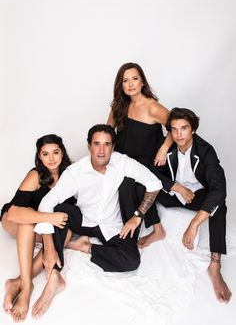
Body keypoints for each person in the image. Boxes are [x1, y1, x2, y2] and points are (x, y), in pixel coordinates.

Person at [32, 124, 162, 318]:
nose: (101, 150)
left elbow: (154, 183)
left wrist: (137, 216)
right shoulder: (75, 172)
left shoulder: (122, 162)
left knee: (132, 261)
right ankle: (54, 278)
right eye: (97, 144)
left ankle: (84, 246)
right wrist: (49, 245)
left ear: (113, 147)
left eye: (107, 144)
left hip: (111, 224)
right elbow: (46, 203)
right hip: (84, 219)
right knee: (59, 210)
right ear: (89, 146)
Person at [154, 107, 232, 303]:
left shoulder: (205, 151)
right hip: (174, 193)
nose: (179, 134)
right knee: (139, 185)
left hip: (197, 195)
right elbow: (150, 171)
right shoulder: (166, 148)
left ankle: (215, 265)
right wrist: (178, 187)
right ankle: (153, 231)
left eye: (184, 128)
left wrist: (194, 224)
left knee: (219, 205)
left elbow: (219, 188)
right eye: (174, 129)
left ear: (193, 130)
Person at [1, 134, 73, 322]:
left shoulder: (70, 173)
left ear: (62, 152)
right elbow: (15, 213)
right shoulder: (36, 175)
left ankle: (17, 282)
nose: (51, 159)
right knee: (27, 224)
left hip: (41, 226)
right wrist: (49, 217)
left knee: (66, 235)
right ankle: (26, 289)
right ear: (39, 156)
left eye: (55, 152)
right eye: (45, 154)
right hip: (17, 220)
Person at [107, 62, 172, 247]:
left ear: (142, 81)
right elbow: (108, 131)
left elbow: (175, 128)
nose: (130, 84)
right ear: (120, 85)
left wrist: (163, 148)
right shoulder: (119, 106)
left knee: (131, 185)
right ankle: (122, 231)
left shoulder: (153, 107)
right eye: (125, 80)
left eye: (134, 79)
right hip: (122, 158)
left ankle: (146, 233)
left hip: (147, 161)